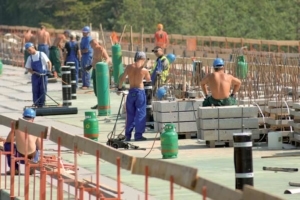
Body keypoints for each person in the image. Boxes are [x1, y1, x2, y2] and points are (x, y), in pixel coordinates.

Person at [118, 52, 151, 141]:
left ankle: (127, 136)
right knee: (140, 113)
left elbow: (122, 78)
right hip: (140, 92)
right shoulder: (144, 70)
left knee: (130, 114)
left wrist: (119, 88)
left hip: (131, 91)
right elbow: (148, 80)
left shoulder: (129, 67)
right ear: (143, 59)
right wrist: (147, 72)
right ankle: (138, 135)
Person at [4, 108, 41, 175]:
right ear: (33, 119)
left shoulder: (17, 125)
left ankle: (14, 168)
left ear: (23, 117)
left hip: (19, 155)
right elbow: (40, 146)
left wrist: (17, 138)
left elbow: (8, 141)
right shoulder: (36, 128)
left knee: (7, 145)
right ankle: (33, 164)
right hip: (31, 155)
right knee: (37, 149)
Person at [25, 42, 52, 107]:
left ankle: (42, 104)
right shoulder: (30, 58)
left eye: (29, 50)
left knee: (43, 90)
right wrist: (32, 72)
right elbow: (28, 68)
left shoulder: (41, 54)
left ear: (33, 47)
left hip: (43, 75)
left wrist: (49, 70)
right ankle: (36, 103)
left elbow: (49, 62)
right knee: (35, 90)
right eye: (28, 51)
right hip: (35, 76)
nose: (29, 52)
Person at [90, 39, 110, 109]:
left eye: (91, 45)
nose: (91, 47)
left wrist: (104, 66)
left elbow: (108, 59)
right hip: (94, 69)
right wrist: (90, 66)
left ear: (95, 44)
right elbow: (95, 60)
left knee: (100, 87)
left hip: (100, 71)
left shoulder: (101, 50)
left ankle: (102, 103)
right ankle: (99, 102)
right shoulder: (94, 50)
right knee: (95, 88)